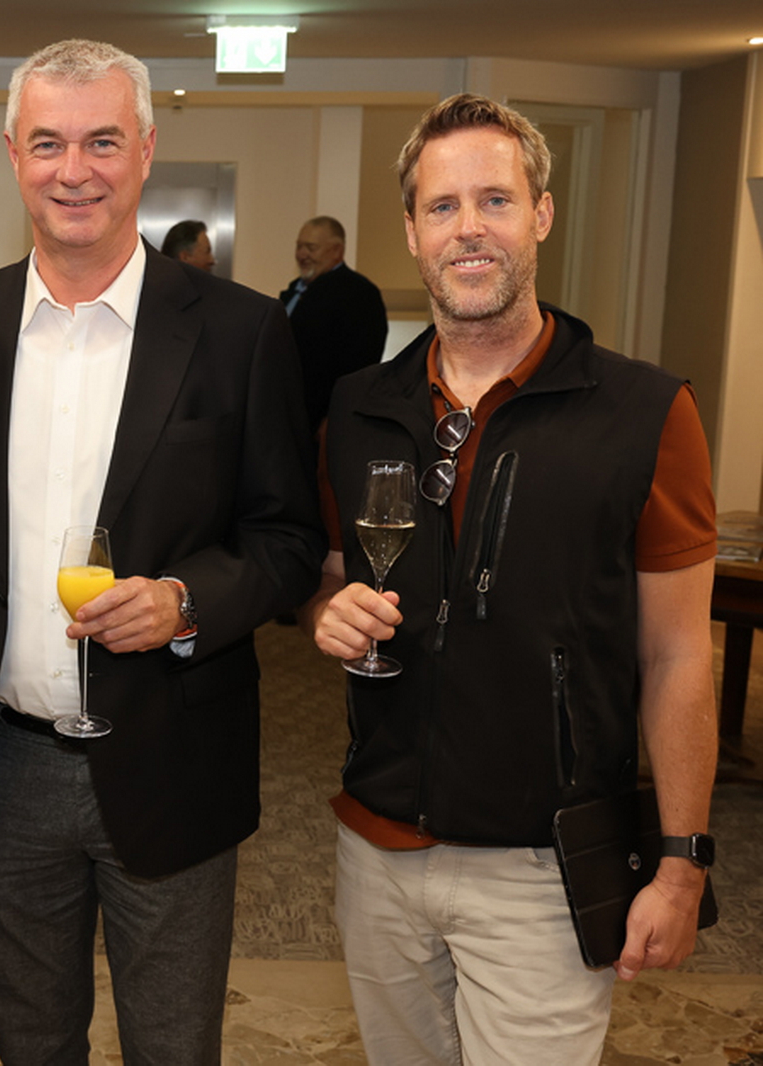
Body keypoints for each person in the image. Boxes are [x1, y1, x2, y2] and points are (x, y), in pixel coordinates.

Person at [0, 39, 325, 1065]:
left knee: (173, 1046)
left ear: (145, 150)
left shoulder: (242, 331)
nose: (73, 170)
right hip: (2, 768)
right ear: (13, 154)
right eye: (48, 143)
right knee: (31, 1044)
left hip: (172, 756)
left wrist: (184, 601)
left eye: (101, 141)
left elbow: (287, 539)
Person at [302, 94, 717, 1065]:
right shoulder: (357, 408)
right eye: (442, 206)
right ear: (412, 230)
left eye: (495, 199)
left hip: (544, 865)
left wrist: (681, 861)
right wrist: (327, 612)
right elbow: (331, 577)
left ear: (541, 213)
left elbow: (678, 655)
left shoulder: (646, 412)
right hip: (377, 855)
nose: (469, 228)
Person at [277, 215, 389, 432]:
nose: (302, 255)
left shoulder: (359, 293)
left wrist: (334, 415)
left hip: (323, 421)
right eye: (299, 247)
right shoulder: (293, 291)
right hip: (288, 417)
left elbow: (361, 363)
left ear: (337, 251)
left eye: (311, 248)